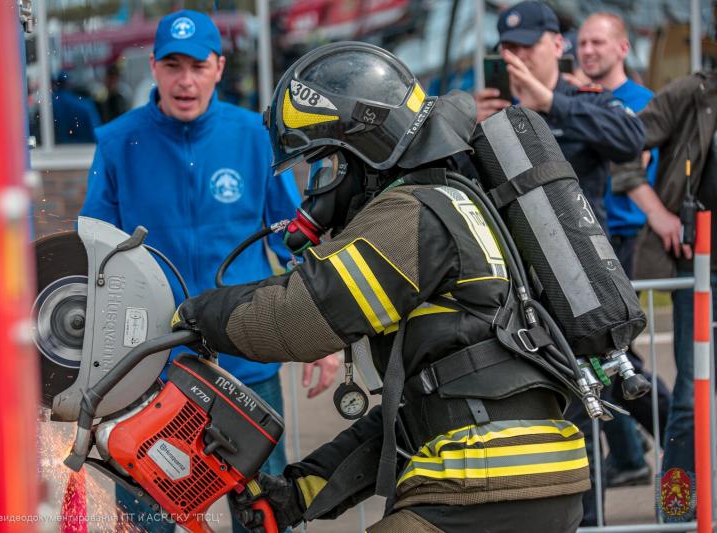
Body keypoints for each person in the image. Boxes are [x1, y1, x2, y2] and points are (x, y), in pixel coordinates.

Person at [172, 41, 590, 533]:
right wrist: (303, 490)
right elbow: (424, 414)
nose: (318, 190)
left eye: (324, 166)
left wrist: (192, 316)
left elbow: (294, 320)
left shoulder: (412, 215)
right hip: (533, 476)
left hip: (481, 481)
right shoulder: (458, 204)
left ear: (362, 154)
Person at [79, 10, 339, 532]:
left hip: (248, 363)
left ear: (219, 67)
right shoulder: (117, 143)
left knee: (264, 514)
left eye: (198, 65)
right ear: (152, 66)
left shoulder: (254, 137)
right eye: (172, 66)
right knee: (148, 519)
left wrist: (324, 333)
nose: (185, 80)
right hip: (151, 370)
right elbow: (93, 258)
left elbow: (295, 242)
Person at [475, 2, 645, 526]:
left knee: (583, 432)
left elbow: (631, 141)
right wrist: (468, 132)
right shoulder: (482, 116)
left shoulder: (580, 100)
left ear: (556, 45)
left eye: (526, 45)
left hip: (577, 297)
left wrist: (551, 104)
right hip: (508, 304)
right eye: (507, 49)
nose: (516, 57)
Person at [576, 11, 672, 488]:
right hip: (589, 244)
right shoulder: (573, 100)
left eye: (597, 42)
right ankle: (632, 455)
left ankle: (679, 439)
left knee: (616, 353)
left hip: (628, 241)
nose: (588, 50)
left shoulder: (642, 104)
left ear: (622, 48)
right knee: (605, 356)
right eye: (582, 42)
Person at [617, 69, 717, 520]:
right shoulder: (694, 91)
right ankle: (675, 510)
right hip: (698, 271)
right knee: (690, 401)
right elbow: (623, 150)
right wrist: (659, 215)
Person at [52, 70, 102, 144]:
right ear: (69, 83)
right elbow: (96, 134)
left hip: (57, 148)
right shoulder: (85, 105)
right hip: (82, 149)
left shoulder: (50, 104)